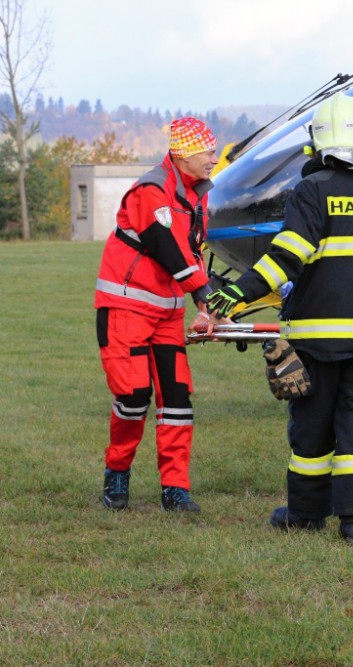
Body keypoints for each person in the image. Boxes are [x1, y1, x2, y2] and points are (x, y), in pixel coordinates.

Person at [206, 93, 353, 545]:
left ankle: (305, 513)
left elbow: (288, 258)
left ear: (316, 143)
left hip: (317, 339)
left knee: (313, 428)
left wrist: (238, 293)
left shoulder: (312, 190)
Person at [95, 117, 219, 512]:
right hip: (126, 308)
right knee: (132, 397)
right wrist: (202, 291)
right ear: (184, 153)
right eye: (209, 152)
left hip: (167, 313)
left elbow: (193, 250)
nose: (215, 159)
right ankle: (117, 471)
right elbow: (165, 246)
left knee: (178, 401)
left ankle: (175, 488)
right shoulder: (151, 189)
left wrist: (207, 302)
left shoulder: (196, 192)